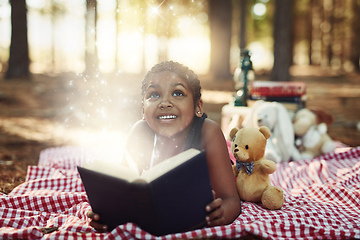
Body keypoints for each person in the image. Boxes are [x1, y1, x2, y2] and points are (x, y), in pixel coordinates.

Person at [88, 61, 241, 232]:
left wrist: (222, 213)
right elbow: (124, 190)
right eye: (154, 95)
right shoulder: (139, 132)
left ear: (198, 106)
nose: (165, 102)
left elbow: (231, 200)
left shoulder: (207, 131)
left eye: (177, 93)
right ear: (143, 110)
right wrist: (107, 214)